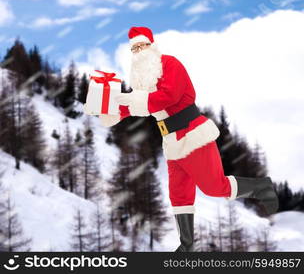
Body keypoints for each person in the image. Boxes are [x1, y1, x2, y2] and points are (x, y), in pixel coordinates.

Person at [99, 26, 279, 252]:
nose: (138, 51)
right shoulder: (143, 81)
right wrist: (113, 112)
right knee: (179, 194)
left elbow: (166, 97)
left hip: (192, 134)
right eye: (133, 48)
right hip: (172, 141)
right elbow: (141, 104)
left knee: (214, 187)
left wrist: (128, 99)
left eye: (141, 45)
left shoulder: (170, 64)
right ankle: (187, 245)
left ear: (151, 46)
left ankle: (261, 188)